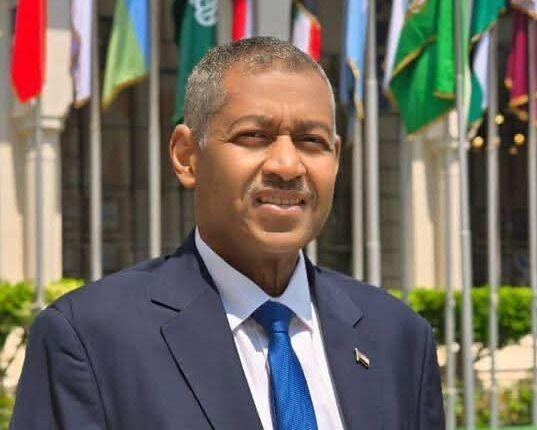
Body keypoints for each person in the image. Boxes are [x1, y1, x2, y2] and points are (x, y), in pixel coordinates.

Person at [10, 37, 444, 430]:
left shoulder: (398, 338)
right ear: (187, 156)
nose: (287, 166)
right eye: (254, 136)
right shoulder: (90, 339)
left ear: (336, 158)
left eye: (311, 141)